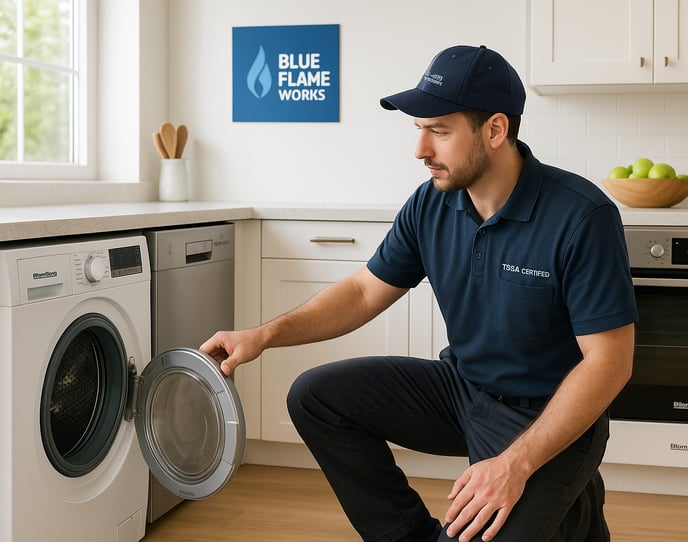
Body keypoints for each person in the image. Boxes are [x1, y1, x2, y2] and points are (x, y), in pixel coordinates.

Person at [201, 44, 637, 542]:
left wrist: (514, 465)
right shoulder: (432, 203)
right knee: (315, 397)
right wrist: (264, 335)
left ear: (495, 130)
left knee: (523, 503)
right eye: (418, 130)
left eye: (439, 131)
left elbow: (610, 362)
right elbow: (365, 292)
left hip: (545, 414)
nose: (420, 150)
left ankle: (568, 501)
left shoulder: (581, 216)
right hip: (462, 389)